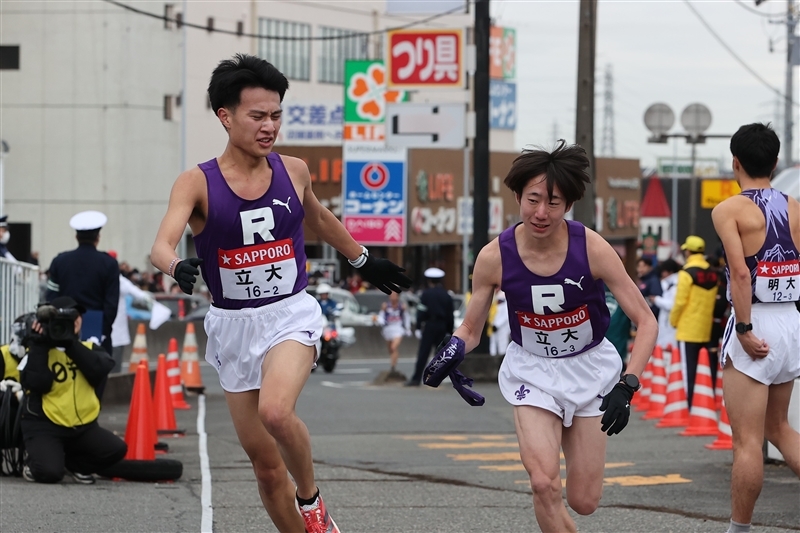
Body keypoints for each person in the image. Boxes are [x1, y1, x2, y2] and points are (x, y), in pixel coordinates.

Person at [149, 54, 410, 533]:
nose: (269, 126)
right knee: (267, 471)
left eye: (276, 115)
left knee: (275, 411)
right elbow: (160, 244)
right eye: (257, 116)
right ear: (225, 117)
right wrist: (176, 265)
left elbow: (318, 217)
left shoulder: (293, 170)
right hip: (232, 325)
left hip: (290, 313)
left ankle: (311, 500)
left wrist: (363, 259)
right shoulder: (196, 182)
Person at [423, 140, 657, 533]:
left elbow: (646, 321)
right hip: (532, 370)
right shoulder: (494, 256)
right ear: (517, 196)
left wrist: (628, 384)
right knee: (543, 482)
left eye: (553, 202)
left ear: (568, 205)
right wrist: (450, 352)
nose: (541, 213)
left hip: (591, 369)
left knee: (584, 501)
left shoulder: (593, 248)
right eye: (533, 200)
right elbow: (471, 328)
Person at [711, 122, 800, 533]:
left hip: (757, 317)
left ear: (736, 162)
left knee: (747, 441)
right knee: (779, 428)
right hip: (790, 318)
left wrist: (744, 328)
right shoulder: (796, 207)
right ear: (776, 161)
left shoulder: (728, 210)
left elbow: (740, 274)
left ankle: (739, 529)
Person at [18, 296, 127, 484]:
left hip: (82, 427)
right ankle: (35, 462)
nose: (74, 321)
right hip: (45, 425)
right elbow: (38, 384)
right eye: (65, 319)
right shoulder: (39, 349)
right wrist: (39, 345)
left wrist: (71, 344)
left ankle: (75, 466)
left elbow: (99, 370)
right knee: (50, 473)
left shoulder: (88, 347)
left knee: (116, 449)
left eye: (76, 316)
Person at [45, 210, 120, 356]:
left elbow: (51, 297)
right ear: (97, 237)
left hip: (63, 329)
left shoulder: (59, 261)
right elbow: (111, 304)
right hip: (97, 331)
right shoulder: (109, 264)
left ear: (76, 236)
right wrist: (102, 332)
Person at [669, 235, 719, 407]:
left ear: (688, 251)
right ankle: (706, 401)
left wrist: (673, 320)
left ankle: (690, 403)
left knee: (688, 369)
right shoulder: (713, 272)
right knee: (705, 367)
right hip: (707, 327)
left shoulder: (686, 273)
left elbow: (680, 301)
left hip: (688, 328)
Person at [108, 251, 154, 373]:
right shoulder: (119, 281)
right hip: (115, 333)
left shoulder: (117, 281)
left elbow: (139, 294)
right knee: (113, 369)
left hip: (109, 332)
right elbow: (139, 294)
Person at [406, 267, 453, 387]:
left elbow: (421, 311)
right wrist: (449, 330)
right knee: (443, 355)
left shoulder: (426, 294)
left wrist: (417, 327)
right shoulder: (446, 295)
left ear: (429, 281)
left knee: (423, 353)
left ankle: (416, 378)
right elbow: (450, 314)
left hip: (430, 325)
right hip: (442, 326)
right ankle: (450, 378)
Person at [377, 291, 411, 376]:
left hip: (398, 328)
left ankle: (393, 366)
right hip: (388, 328)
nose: (392, 297)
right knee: (390, 349)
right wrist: (380, 321)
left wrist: (407, 328)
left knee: (393, 347)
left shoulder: (402, 306)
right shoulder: (385, 306)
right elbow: (381, 316)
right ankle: (393, 363)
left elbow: (406, 317)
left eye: (394, 295)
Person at [651, 258, 680, 351]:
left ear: (670, 271)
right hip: (665, 323)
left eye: (664, 271)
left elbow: (672, 305)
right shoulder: (667, 283)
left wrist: (656, 300)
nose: (662, 274)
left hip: (671, 324)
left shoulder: (677, 284)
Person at [489, 290, 510, 357]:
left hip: (503, 327)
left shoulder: (503, 295)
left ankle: (501, 360)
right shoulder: (493, 295)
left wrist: (497, 325)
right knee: (493, 343)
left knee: (502, 344)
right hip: (493, 325)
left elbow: (506, 315)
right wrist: (492, 324)